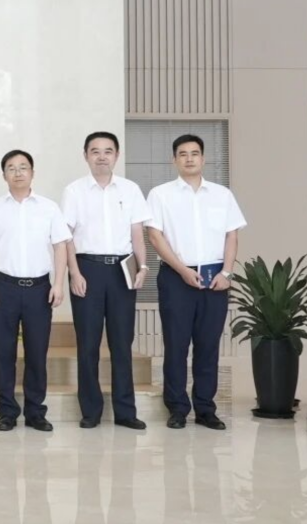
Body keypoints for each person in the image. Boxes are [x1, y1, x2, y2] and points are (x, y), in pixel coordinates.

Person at [146, 134, 247, 430]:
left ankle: (205, 409)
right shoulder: (160, 194)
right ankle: (177, 408)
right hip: (176, 277)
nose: (189, 158)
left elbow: (231, 235)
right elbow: (155, 237)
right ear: (174, 160)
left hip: (215, 278)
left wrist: (226, 273)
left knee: (208, 345)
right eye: (183, 154)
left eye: (194, 153)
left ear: (203, 158)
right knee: (176, 345)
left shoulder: (222, 195)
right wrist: (181, 270)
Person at [0, 149, 71, 433]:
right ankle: (6, 411)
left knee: (37, 353)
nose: (18, 172)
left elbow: (60, 247)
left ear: (32, 172)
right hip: (3, 287)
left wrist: (58, 284)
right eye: (11, 168)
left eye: (23, 167)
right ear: (4, 174)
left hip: (39, 289)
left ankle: (35, 412)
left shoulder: (49, 208)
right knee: (3, 353)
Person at [61, 131, 151, 430]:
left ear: (117, 155)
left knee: (122, 343)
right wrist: (74, 273)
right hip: (87, 269)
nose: (102, 157)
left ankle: (125, 411)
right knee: (88, 343)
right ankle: (91, 410)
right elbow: (66, 237)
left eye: (108, 151)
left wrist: (143, 267)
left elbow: (137, 234)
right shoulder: (74, 191)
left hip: (122, 270)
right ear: (85, 155)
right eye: (95, 151)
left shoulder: (130, 189)